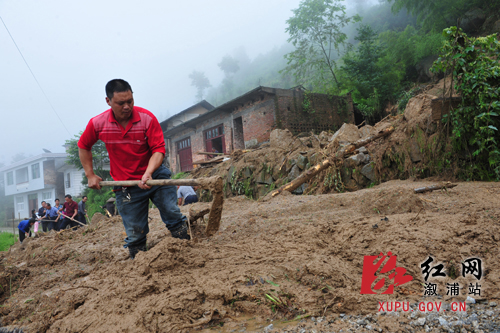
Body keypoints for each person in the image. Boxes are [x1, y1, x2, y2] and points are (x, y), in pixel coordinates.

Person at [78, 79, 190, 260]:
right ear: (108, 102)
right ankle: (139, 261)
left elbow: (159, 150)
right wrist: (90, 174)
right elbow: (83, 145)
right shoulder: (98, 124)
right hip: (126, 185)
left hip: (155, 176)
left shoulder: (147, 119)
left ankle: (187, 246)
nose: (127, 106)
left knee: (171, 212)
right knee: (135, 230)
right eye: (120, 103)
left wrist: (149, 172)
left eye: (130, 101)